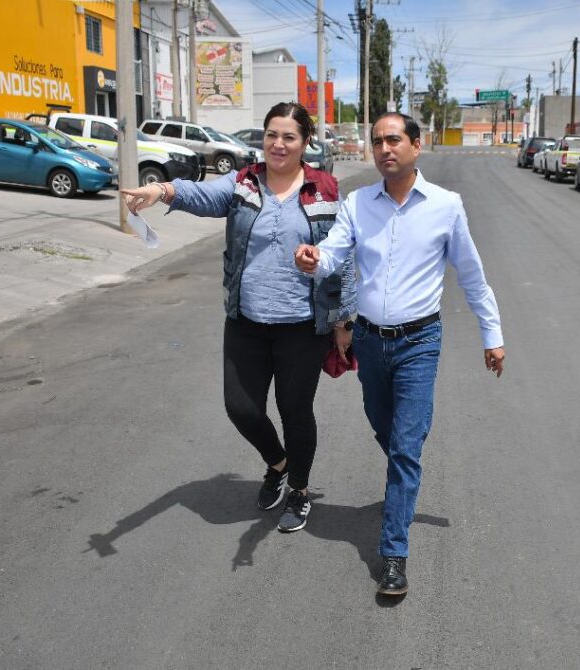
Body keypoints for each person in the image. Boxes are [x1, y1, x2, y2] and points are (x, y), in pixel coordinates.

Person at [294, 112, 505, 596]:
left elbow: (471, 276)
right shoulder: (357, 203)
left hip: (419, 342)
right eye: (377, 142)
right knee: (386, 430)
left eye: (394, 140)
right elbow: (332, 253)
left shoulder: (446, 207)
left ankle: (393, 553)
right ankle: (404, 478)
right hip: (369, 340)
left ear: (416, 145)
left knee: (406, 448)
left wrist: (491, 334)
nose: (385, 148)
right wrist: (313, 259)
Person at [121, 102, 356, 533]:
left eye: (288, 136)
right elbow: (201, 194)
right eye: (271, 134)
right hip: (246, 319)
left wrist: (343, 321)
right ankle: (279, 463)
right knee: (241, 407)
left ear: (304, 143)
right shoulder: (243, 183)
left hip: (302, 326)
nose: (278, 144)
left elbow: (341, 257)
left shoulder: (324, 191)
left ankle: (299, 490)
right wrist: (162, 192)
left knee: (295, 410)